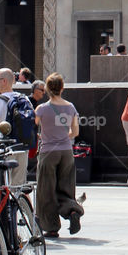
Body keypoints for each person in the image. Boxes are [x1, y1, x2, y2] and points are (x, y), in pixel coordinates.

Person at [34, 74, 84, 238]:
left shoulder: (41, 109)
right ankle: (72, 211)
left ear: (47, 89)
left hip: (48, 152)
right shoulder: (71, 107)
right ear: (62, 88)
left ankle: (51, 227)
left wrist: (44, 136)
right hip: (67, 152)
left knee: (46, 190)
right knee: (66, 187)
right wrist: (63, 136)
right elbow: (75, 132)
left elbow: (33, 126)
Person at [0, 67, 30, 187]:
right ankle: (20, 200)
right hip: (21, 147)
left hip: (3, 148)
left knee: (0, 185)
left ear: (4, 81)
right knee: (19, 186)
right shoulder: (24, 98)